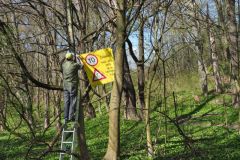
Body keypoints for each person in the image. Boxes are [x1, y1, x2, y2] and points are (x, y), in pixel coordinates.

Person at [62, 51, 82, 124]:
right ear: (72, 58)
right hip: (72, 86)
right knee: (73, 100)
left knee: (67, 101)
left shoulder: (63, 65)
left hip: (65, 86)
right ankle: (71, 116)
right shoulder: (74, 65)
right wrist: (78, 58)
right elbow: (82, 66)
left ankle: (66, 117)